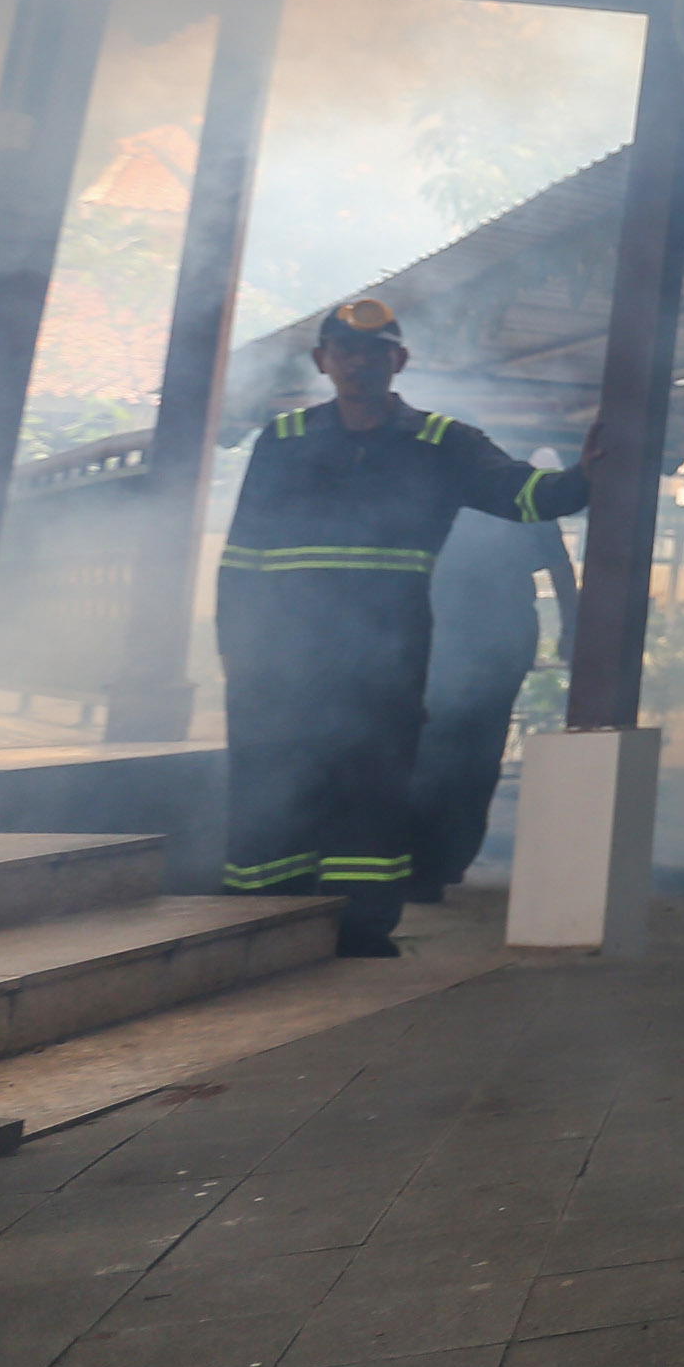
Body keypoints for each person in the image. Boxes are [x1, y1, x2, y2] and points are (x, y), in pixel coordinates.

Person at [215, 299, 591, 957]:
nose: (359, 363)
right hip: (279, 663)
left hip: (383, 667)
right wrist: (237, 657)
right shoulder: (284, 440)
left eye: (374, 352)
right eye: (345, 351)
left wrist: (591, 476)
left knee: (373, 791)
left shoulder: (444, 444)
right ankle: (263, 920)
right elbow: (242, 559)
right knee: (274, 787)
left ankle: (362, 928)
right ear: (322, 361)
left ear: (400, 361)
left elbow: (525, 495)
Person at [404, 506, 578, 899]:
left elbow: (559, 563)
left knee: (449, 752)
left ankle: (433, 863)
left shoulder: (504, 494)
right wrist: (570, 627)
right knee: (468, 754)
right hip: (467, 637)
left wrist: (571, 628)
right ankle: (439, 861)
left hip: (475, 639)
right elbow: (560, 566)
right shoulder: (505, 491)